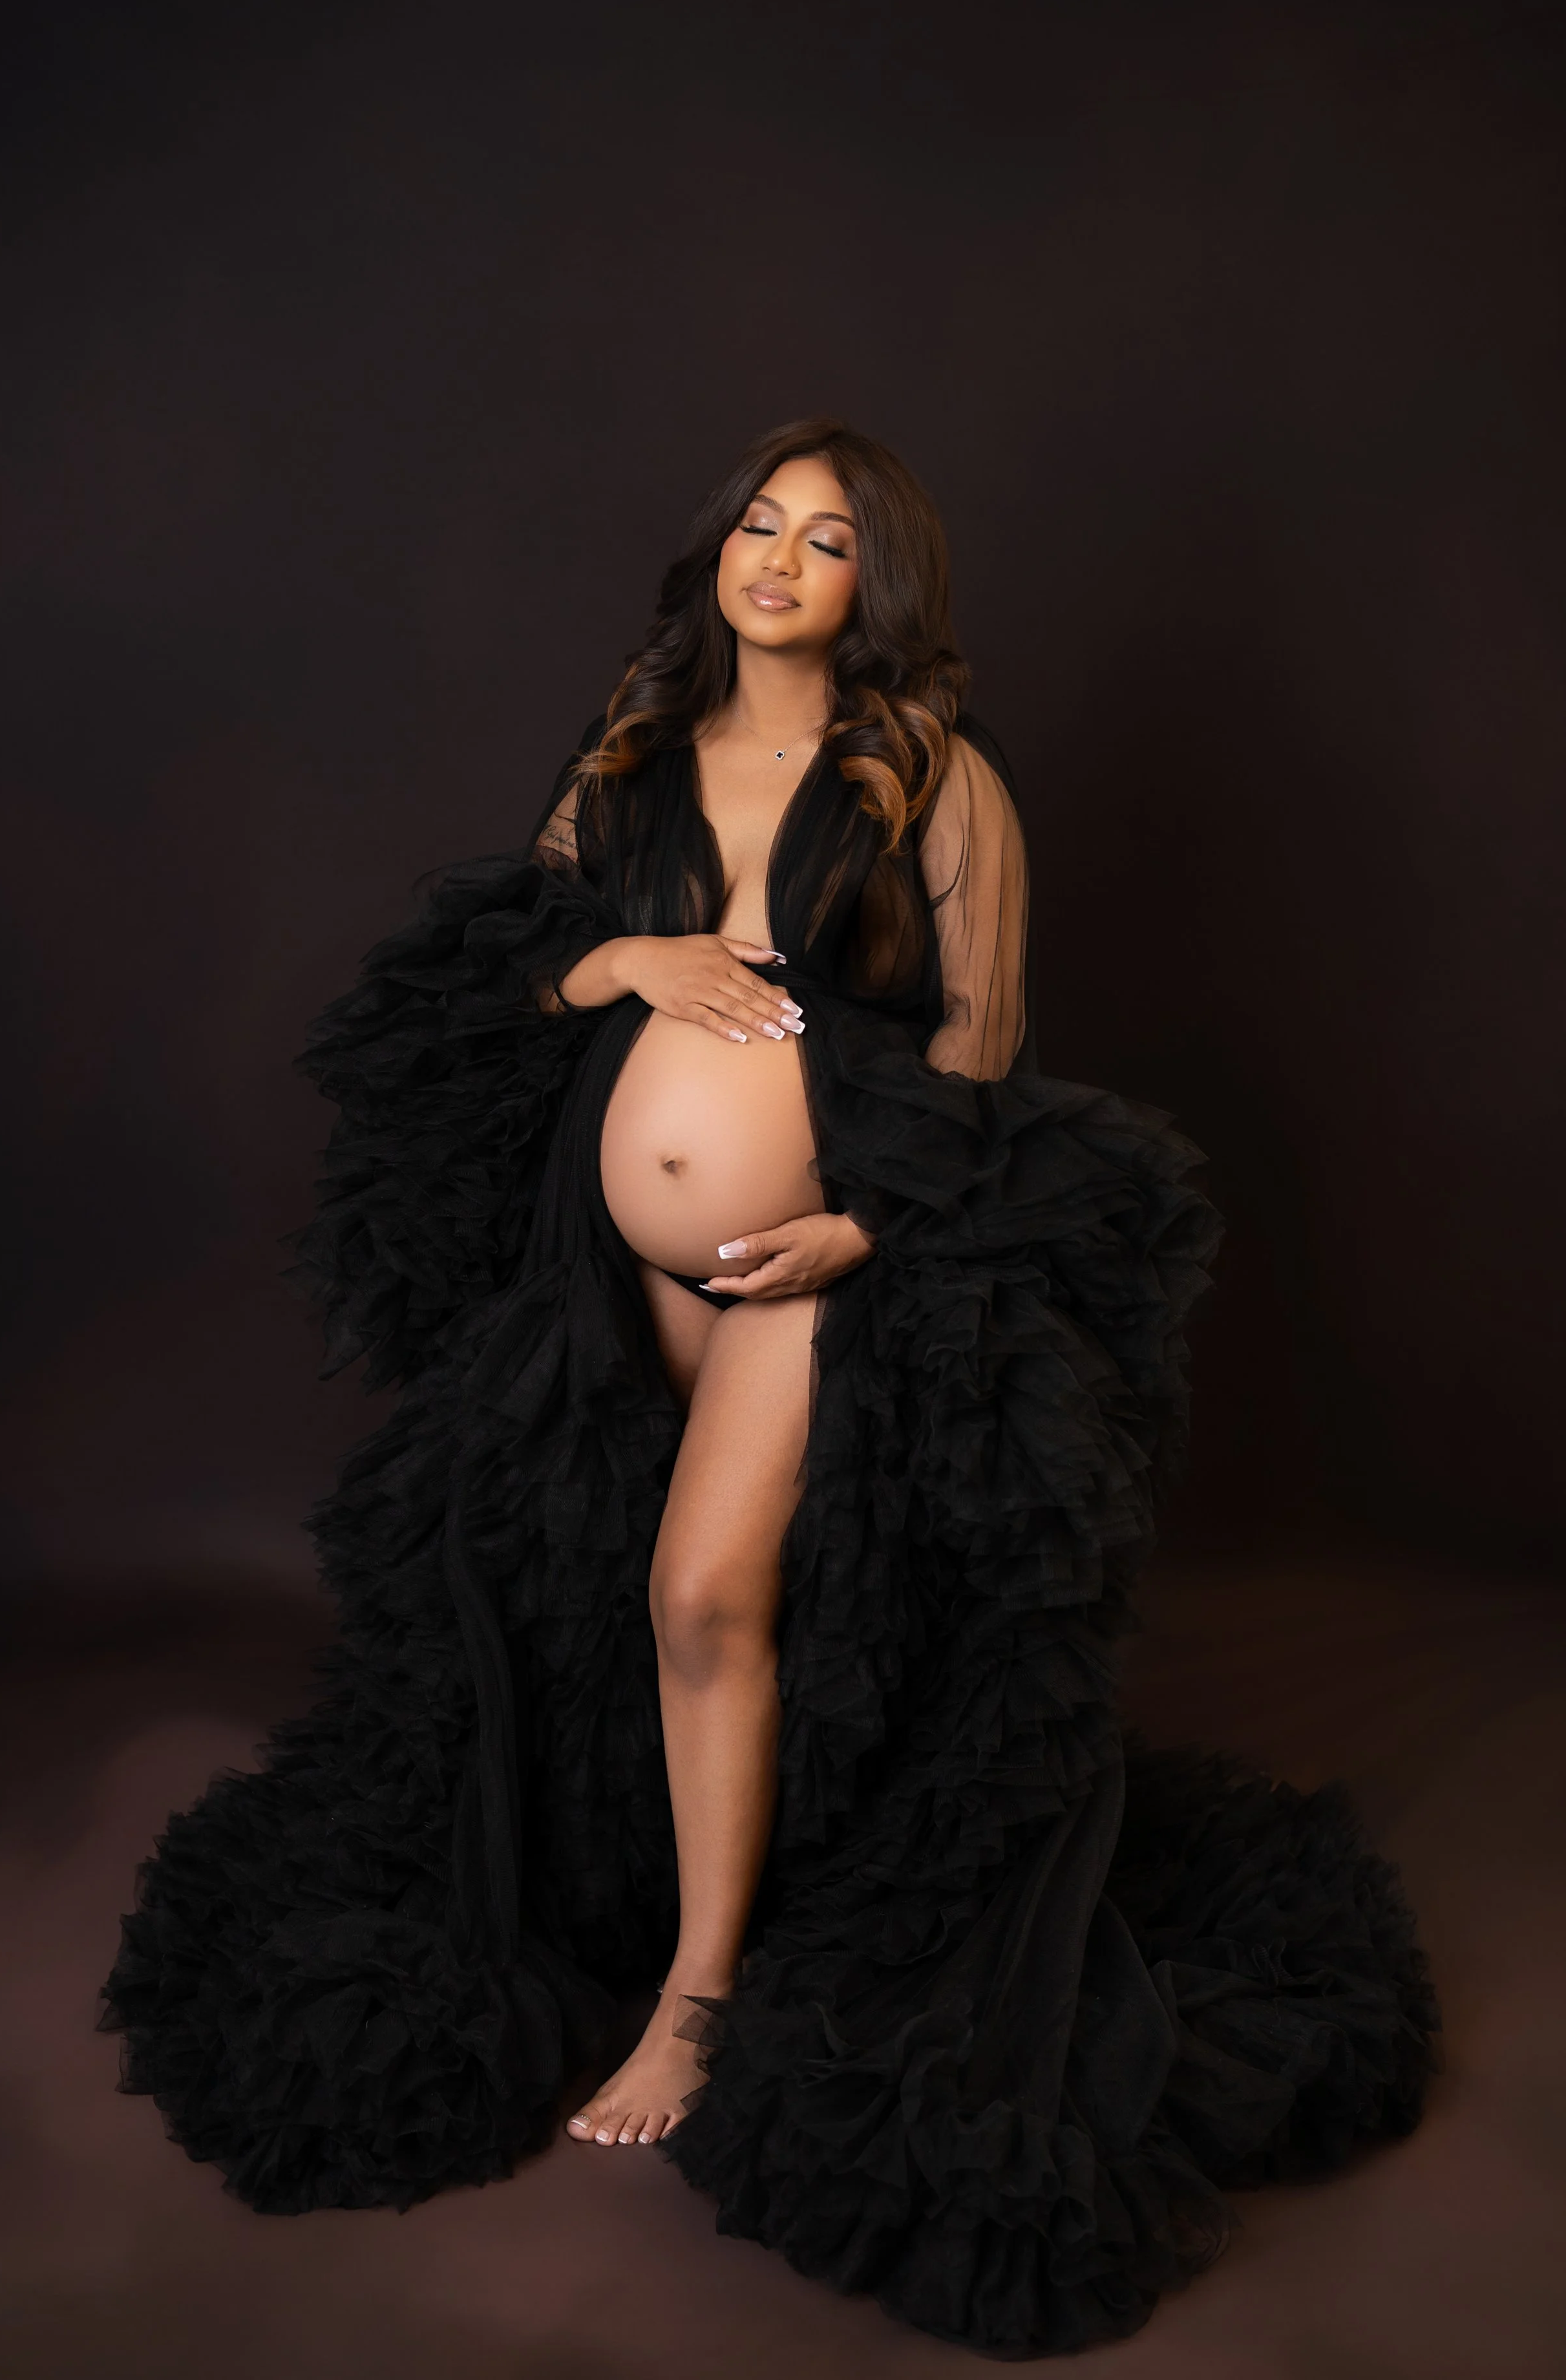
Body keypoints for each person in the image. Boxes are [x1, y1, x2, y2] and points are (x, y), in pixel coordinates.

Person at [104, 420, 1435, 2357]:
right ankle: (641, 1899)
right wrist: (627, 957)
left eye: (823, 542)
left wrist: (865, 1238)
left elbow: (979, 1064)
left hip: (803, 1260)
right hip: (600, 1260)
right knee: (549, 1601)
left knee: (703, 1591)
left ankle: (702, 1990)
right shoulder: (629, 761)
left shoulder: (935, 783)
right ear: (716, 550)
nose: (777, 559)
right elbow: (504, 984)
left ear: (871, 588)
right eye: (755, 522)